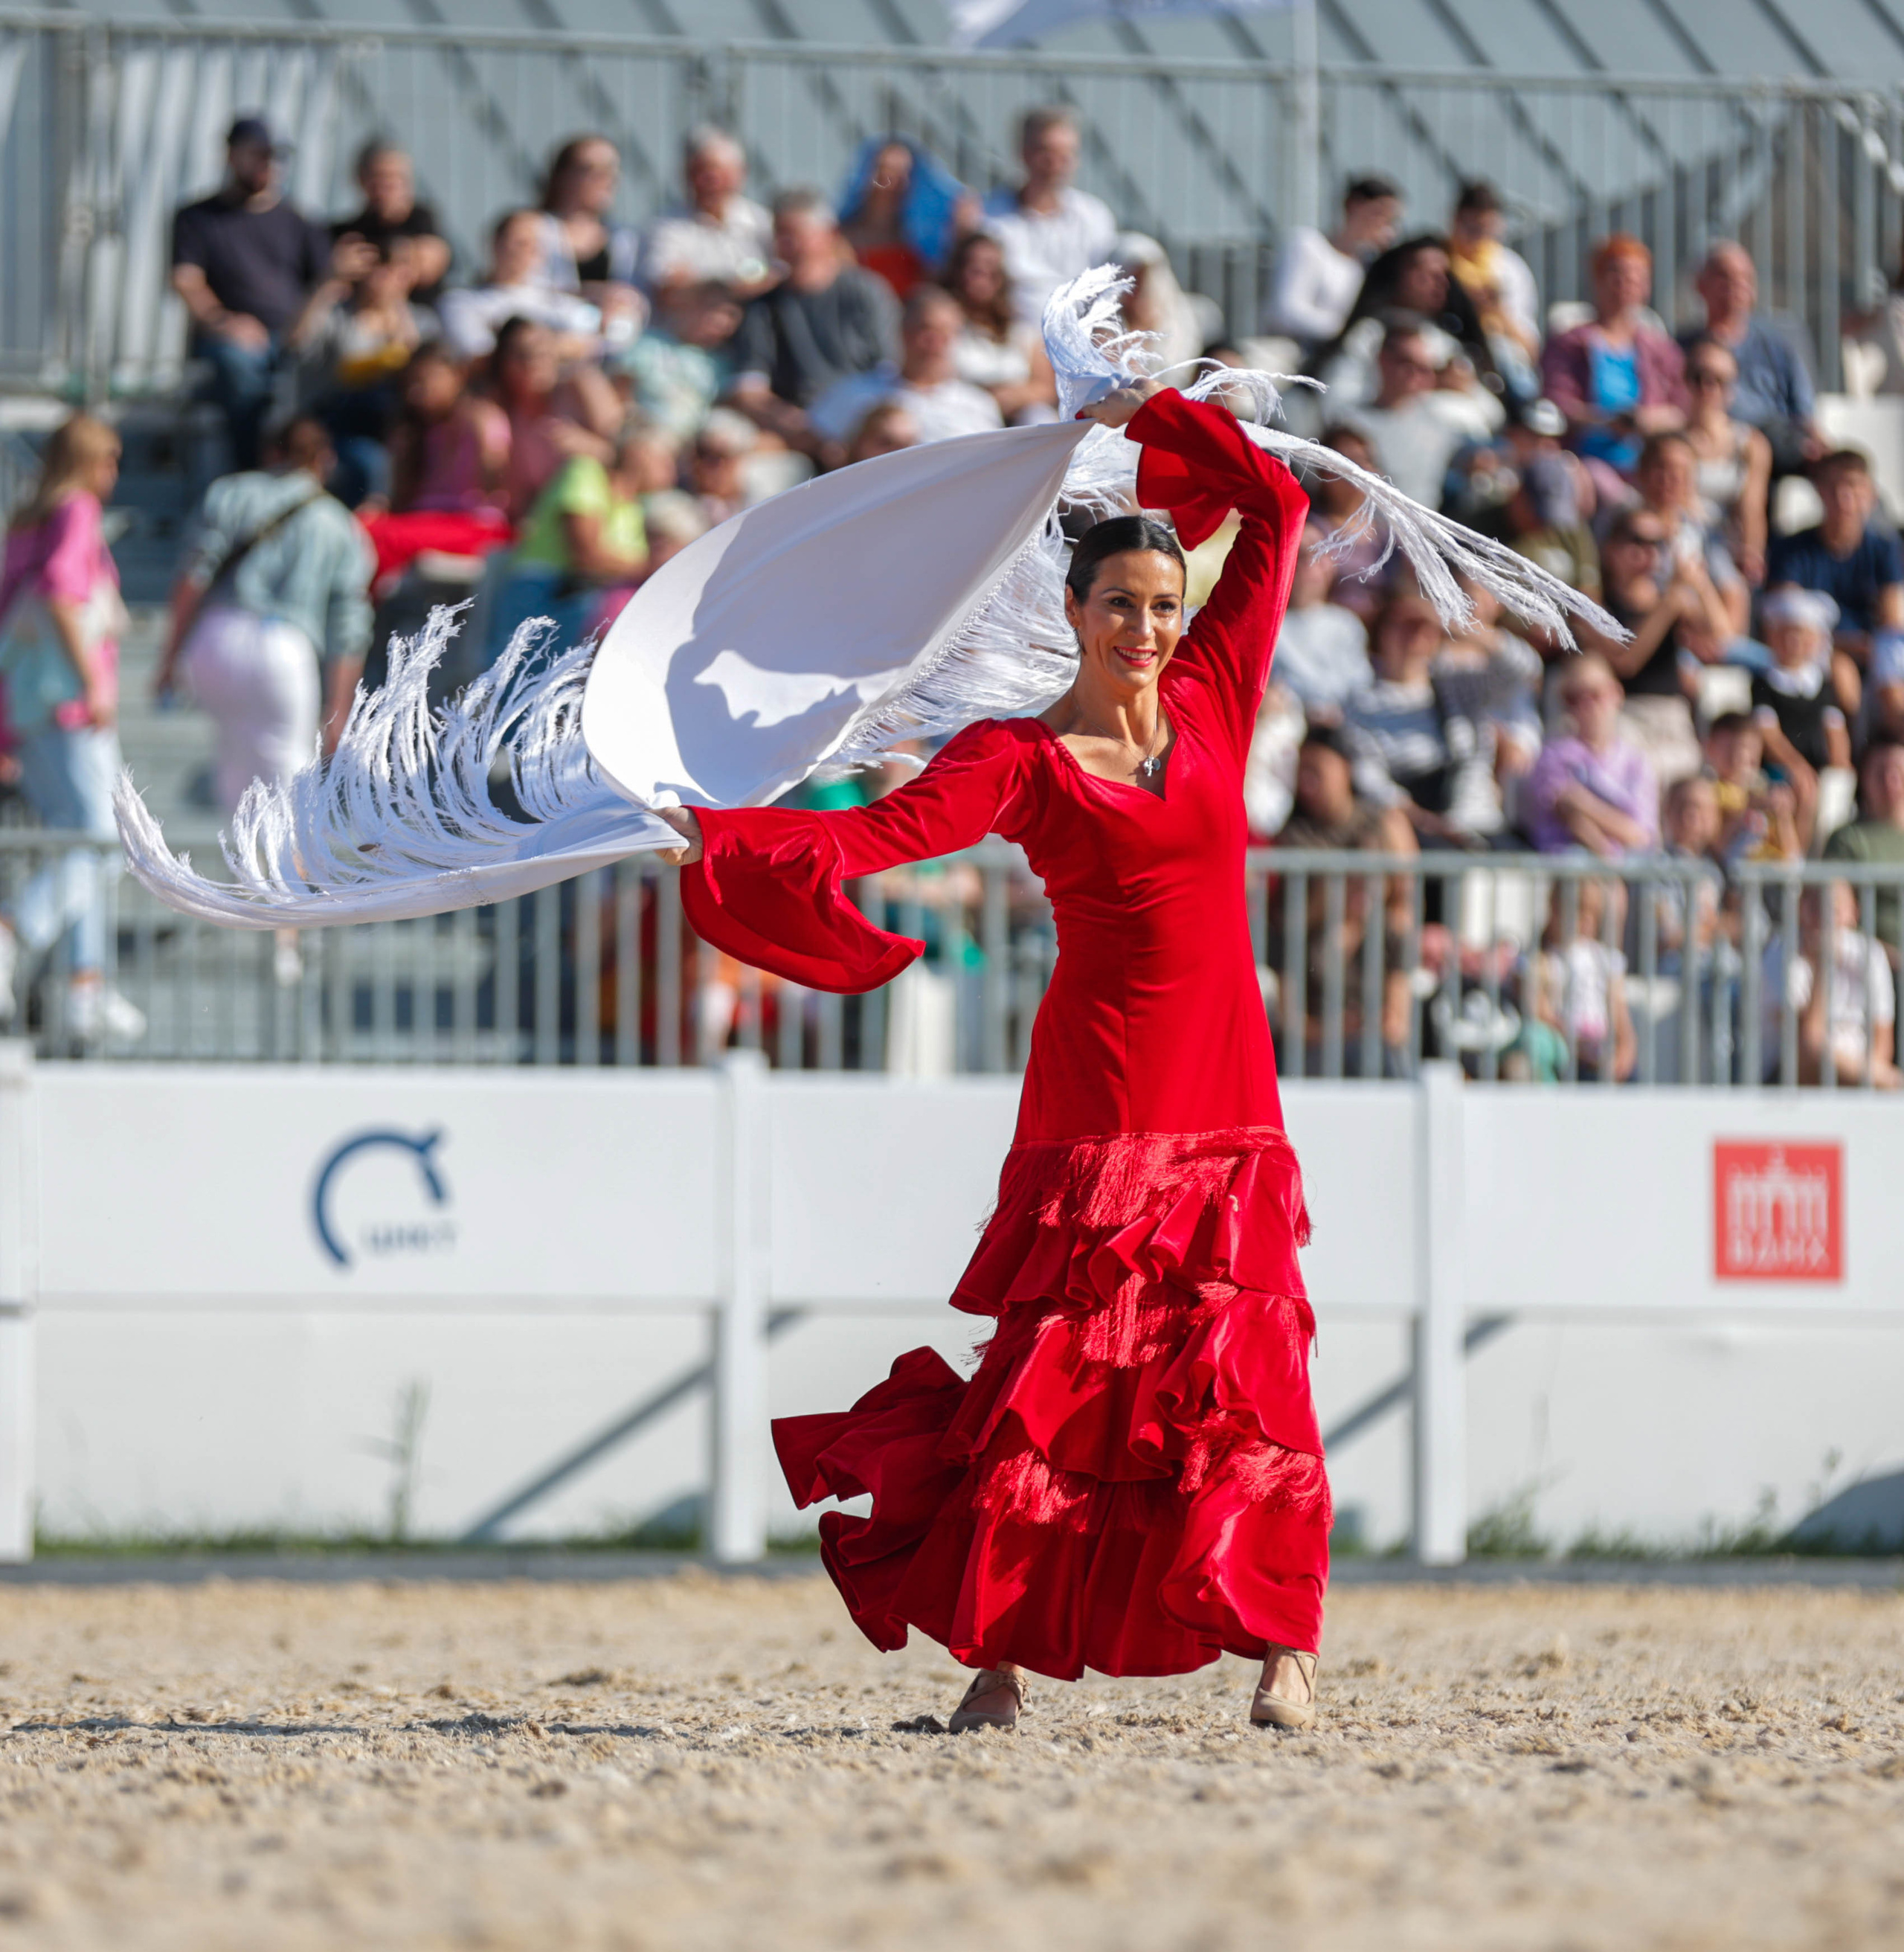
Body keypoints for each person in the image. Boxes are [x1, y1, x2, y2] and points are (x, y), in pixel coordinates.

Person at [649, 380, 1329, 1733]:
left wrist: (1152, 411)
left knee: (1246, 1370)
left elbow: (1280, 501)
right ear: (1076, 611)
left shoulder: (1211, 698)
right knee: (1055, 1370)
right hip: (1101, 1082)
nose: (1146, 626)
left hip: (1228, 1088)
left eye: (1162, 603)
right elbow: (874, 839)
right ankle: (1001, 1661)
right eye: (1121, 604)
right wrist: (729, 838)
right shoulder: (1018, 753)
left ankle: (1283, 1652)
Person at [0, 414, 144, 1044]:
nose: (113, 473)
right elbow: (62, 593)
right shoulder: (77, 510)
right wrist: (95, 682)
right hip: (69, 704)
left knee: (83, 842)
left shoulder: (25, 521)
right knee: (99, 842)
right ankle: (13, 935)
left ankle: (87, 986)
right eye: (108, 459)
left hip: (28, 704)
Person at [157, 415, 373, 811]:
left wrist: (169, 659)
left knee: (235, 780)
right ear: (325, 461)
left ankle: (244, 870)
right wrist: (338, 714)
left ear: (272, 452)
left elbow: (194, 577)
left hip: (216, 638)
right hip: (284, 648)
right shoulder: (339, 522)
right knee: (291, 790)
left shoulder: (230, 493)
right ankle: (280, 874)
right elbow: (349, 627)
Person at [170, 115, 332, 469]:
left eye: (273, 156)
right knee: (241, 370)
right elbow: (186, 280)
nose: (266, 164)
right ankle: (250, 471)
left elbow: (326, 284)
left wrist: (302, 329)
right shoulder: (198, 218)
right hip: (227, 340)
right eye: (257, 154)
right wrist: (224, 321)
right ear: (231, 157)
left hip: (293, 338)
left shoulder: (300, 222)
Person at [726, 190, 899, 465]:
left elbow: (889, 372)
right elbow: (748, 389)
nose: (785, 243)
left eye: (794, 233)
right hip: (795, 430)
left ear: (828, 235)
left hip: (862, 424)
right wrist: (798, 426)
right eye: (780, 234)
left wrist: (844, 427)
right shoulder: (763, 307)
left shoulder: (866, 292)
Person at [1342, 590, 1504, 842]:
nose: (1414, 635)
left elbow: (1524, 668)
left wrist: (1457, 624)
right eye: (1403, 624)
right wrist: (1425, 822)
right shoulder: (1360, 705)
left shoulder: (1461, 687)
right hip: (1419, 835)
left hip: (1481, 826)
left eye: (1425, 626)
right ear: (1381, 632)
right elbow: (1371, 778)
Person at [489, 429, 652, 662]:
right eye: (662, 454)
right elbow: (587, 556)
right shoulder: (584, 471)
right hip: (542, 592)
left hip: (581, 600)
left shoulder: (634, 504)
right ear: (638, 453)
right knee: (522, 684)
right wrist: (651, 568)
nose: (671, 464)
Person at [1541, 235, 1688, 493]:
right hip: (1585, 465)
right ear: (1598, 279)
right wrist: (1606, 422)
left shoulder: (1661, 349)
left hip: (1650, 467)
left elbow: (1683, 408)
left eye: (1636, 275)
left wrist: (1647, 421)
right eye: (1616, 273)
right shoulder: (1569, 343)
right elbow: (1557, 401)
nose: (1626, 283)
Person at [1679, 241, 1818, 474]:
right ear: (1700, 285)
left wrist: (1817, 443)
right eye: (1724, 277)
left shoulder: (1778, 345)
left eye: (1745, 278)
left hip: (1777, 448)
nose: (1736, 286)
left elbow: (1803, 411)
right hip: (1708, 445)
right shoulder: (1680, 348)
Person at [809, 285, 1004, 451]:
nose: (935, 344)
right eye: (926, 331)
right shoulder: (856, 393)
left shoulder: (978, 405)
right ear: (903, 332)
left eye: (945, 333)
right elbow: (816, 443)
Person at [1764, 449, 1904, 680]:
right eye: (1834, 487)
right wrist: (1852, 647)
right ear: (1820, 491)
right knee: (1842, 673)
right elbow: (1786, 629)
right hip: (1814, 658)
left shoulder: (1885, 550)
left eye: (1853, 486)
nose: (1844, 497)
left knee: (1892, 683)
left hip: (1874, 657)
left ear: (1870, 494)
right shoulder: (1791, 551)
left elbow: (1892, 623)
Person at [980, 106, 1118, 325]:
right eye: (1046, 151)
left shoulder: (1095, 216)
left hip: (1080, 339)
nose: (1055, 163)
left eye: (1066, 154)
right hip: (1008, 338)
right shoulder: (987, 215)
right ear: (1024, 154)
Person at [1351, 316, 1504, 512]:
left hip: (1424, 535)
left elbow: (1484, 448)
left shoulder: (1442, 418)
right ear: (1382, 359)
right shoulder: (1351, 422)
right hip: (1366, 536)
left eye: (1424, 368)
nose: (1415, 374)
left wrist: (1480, 460)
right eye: (1406, 363)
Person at [483, 314, 620, 526]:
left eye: (542, 350)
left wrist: (588, 447)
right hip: (551, 526)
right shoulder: (504, 416)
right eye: (522, 354)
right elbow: (519, 500)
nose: (533, 361)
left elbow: (628, 457)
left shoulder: (582, 384)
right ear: (503, 363)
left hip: (607, 513)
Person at [1760, 881, 1899, 1087]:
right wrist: (1823, 966)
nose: (1824, 918)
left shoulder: (1872, 954)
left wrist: (1870, 1079)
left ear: (1854, 913)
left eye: (1834, 910)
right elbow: (1808, 1045)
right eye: (1815, 908)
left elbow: (1883, 1046)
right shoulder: (1779, 955)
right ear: (1800, 909)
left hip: (1862, 1079)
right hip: (1788, 1079)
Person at [1522, 652, 1659, 857]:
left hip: (1625, 875)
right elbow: (1572, 819)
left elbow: (1640, 836)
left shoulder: (1636, 762)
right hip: (1568, 870)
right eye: (1574, 698)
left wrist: (1582, 803)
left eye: (1595, 694)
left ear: (1616, 693)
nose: (1587, 705)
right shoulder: (1552, 757)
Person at [439, 210, 602, 364]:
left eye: (536, 244)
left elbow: (594, 340)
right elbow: (481, 357)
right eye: (520, 243)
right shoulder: (461, 302)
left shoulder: (555, 301)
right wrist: (557, 347)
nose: (528, 251)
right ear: (495, 243)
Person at [1266, 174, 1400, 349]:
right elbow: (1286, 311)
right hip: (1293, 353)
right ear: (1352, 206)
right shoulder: (1309, 244)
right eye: (1379, 215)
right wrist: (1346, 329)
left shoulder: (1367, 266)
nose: (1387, 229)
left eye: (1392, 221)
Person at [535, 135, 644, 347]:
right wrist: (591, 294)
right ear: (563, 176)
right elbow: (524, 291)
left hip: (614, 346)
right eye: (592, 169)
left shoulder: (625, 238)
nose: (606, 179)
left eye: (611, 170)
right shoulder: (535, 231)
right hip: (553, 344)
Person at [638, 126, 774, 296]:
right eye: (703, 172)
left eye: (722, 173)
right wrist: (742, 285)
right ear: (686, 175)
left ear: (741, 174)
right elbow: (668, 287)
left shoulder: (762, 222)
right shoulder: (666, 226)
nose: (713, 181)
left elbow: (781, 277)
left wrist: (699, 284)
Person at [1681, 335, 1772, 585]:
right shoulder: (1670, 439)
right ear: (1686, 381)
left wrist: (1752, 553)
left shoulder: (1751, 444)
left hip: (1724, 544)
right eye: (1699, 377)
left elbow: (1752, 507)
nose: (1709, 388)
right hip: (1680, 541)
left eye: (1719, 380)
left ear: (1732, 388)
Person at [838, 137, 975, 299]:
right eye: (884, 171)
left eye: (904, 174)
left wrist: (961, 233)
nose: (893, 182)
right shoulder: (841, 239)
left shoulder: (924, 243)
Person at [943, 232, 1058, 423]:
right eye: (972, 266)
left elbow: (1046, 388)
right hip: (960, 416)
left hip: (1014, 418)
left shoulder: (1021, 330)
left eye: (990, 267)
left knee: (1039, 417)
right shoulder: (943, 325)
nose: (981, 274)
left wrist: (1011, 397)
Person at [620, 279, 743, 446]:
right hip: (644, 436)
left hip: (695, 447)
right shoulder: (645, 344)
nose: (720, 321)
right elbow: (620, 396)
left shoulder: (723, 363)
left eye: (730, 315)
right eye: (712, 309)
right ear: (689, 305)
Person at [1445, 181, 1540, 398]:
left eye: (1485, 229)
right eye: (1471, 229)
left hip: (1501, 364)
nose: (1478, 237)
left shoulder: (1510, 268)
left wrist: (1495, 310)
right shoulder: (1439, 263)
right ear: (1454, 221)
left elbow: (1531, 349)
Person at [1268, 523, 1372, 718]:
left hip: (1346, 723)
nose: (1308, 564)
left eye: (1318, 553)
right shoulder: (1267, 628)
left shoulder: (1346, 624)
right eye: (1299, 555)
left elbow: (1361, 685)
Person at [330, 141, 451, 301]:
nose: (388, 184)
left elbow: (432, 261)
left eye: (396, 177)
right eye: (380, 177)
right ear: (361, 179)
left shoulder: (422, 220)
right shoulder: (346, 231)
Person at [1824, 735, 1904, 950]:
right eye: (1881, 774)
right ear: (1864, 780)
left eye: (1898, 772)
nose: (1891, 782)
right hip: (1874, 968)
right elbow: (1837, 912)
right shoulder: (1847, 840)